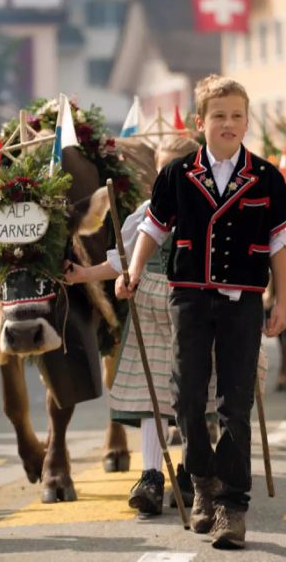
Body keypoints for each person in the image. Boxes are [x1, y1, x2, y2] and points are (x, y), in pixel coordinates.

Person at [123, 75, 286, 549]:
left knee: (236, 404)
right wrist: (132, 273)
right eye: (219, 116)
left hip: (244, 301)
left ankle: (233, 507)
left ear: (247, 121)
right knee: (186, 400)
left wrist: (283, 299)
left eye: (237, 115)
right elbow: (152, 230)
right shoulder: (177, 174)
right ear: (201, 122)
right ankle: (202, 483)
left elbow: (278, 243)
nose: (229, 123)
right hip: (191, 298)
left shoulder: (267, 177)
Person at [66, 136, 204, 516]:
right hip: (152, 309)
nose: (167, 177)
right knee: (152, 395)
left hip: (196, 306)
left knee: (197, 393)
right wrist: (82, 275)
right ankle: (150, 477)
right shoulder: (146, 211)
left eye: (176, 168)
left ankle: (193, 472)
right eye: (161, 170)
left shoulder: (211, 209)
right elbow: (122, 260)